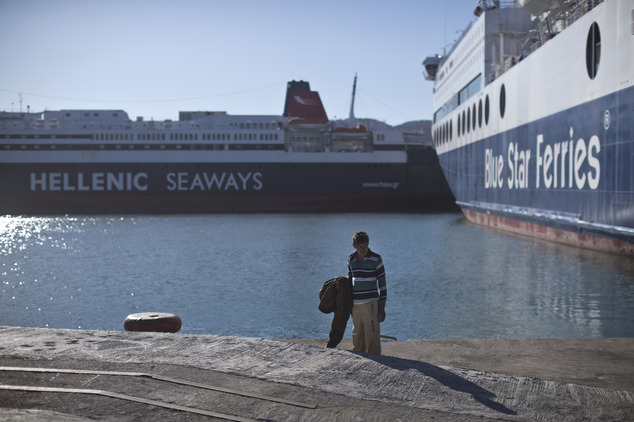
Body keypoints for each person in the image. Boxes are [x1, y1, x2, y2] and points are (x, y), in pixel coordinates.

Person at [347, 231, 386, 355]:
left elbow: (383, 284)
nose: (363, 249)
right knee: (357, 339)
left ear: (368, 244)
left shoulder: (376, 258)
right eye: (360, 246)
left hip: (371, 304)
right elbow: (350, 280)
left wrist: (382, 307)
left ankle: (377, 367)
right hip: (355, 306)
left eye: (365, 245)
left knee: (372, 339)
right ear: (354, 246)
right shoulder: (351, 259)